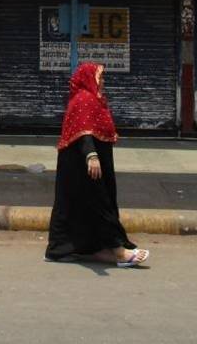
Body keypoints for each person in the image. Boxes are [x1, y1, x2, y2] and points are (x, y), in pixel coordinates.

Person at [45, 62, 149, 267]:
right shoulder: (83, 99)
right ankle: (118, 251)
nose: (103, 81)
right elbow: (84, 132)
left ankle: (91, 248)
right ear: (88, 78)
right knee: (99, 203)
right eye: (99, 77)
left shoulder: (93, 99)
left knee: (86, 205)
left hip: (92, 164)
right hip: (85, 166)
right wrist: (91, 156)